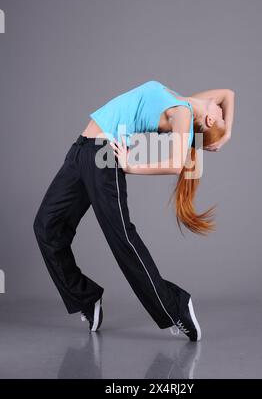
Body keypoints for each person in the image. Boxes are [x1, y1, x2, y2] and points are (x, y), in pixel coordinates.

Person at [33, 80, 235, 341]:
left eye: (220, 115)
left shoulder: (183, 113)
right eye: (221, 114)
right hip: (81, 150)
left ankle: (175, 307)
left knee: (123, 240)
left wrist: (130, 165)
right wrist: (226, 133)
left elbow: (176, 164)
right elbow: (227, 94)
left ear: (209, 119)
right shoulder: (181, 100)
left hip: (103, 154)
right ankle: (86, 296)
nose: (221, 109)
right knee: (46, 227)